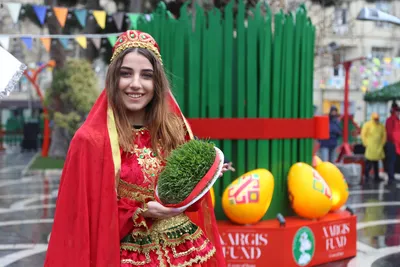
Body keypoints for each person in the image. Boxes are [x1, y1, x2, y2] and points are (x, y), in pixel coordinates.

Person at [45, 30, 229, 267]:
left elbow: (189, 200)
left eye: (146, 75)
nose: (135, 84)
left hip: (187, 252)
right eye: (125, 74)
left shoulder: (174, 129)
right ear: (113, 79)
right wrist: (141, 212)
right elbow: (83, 217)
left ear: (157, 82)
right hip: (127, 256)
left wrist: (202, 181)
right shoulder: (90, 140)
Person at [361, 112, 386, 182]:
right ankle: (366, 176)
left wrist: (382, 144)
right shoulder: (368, 125)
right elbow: (363, 134)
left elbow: (384, 135)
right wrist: (365, 143)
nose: (376, 120)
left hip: (378, 147)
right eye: (375, 118)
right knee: (369, 162)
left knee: (376, 163)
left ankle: (376, 177)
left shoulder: (381, 126)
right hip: (370, 147)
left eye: (377, 118)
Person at [385, 102, 400, 183]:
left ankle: (392, 176)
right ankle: (391, 177)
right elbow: (391, 133)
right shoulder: (392, 120)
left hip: (395, 144)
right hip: (392, 144)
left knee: (393, 161)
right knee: (391, 161)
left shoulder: (396, 120)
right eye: (398, 111)